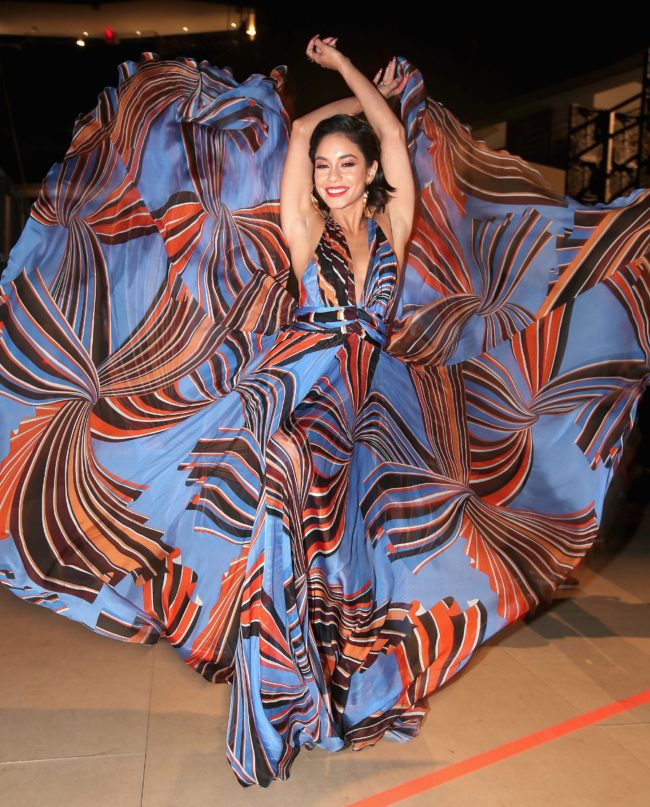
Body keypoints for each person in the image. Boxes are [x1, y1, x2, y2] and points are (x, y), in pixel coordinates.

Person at [0, 35, 648, 790]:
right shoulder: (301, 228)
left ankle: (321, 697)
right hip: (298, 386)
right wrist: (332, 105)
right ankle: (269, 700)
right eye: (323, 167)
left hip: (367, 398)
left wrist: (351, 80)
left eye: (348, 164)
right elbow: (303, 132)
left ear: (371, 173)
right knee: (283, 486)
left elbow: (396, 134)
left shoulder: (393, 229)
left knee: (339, 557)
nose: (332, 176)